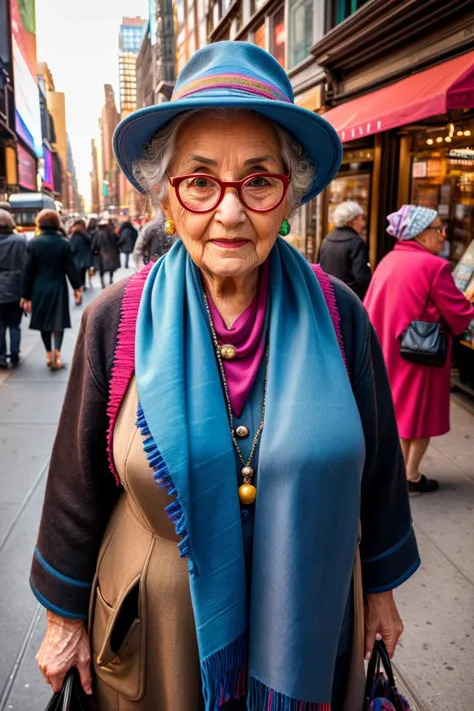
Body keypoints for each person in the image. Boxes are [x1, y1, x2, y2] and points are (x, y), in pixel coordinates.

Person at [31, 42, 419, 711]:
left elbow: (379, 468)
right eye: (201, 181)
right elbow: (76, 481)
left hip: (312, 619)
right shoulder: (115, 318)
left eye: (259, 181)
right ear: (167, 196)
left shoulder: (341, 314)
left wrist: (381, 588)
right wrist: (64, 618)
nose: (231, 212)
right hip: (159, 632)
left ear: (291, 194)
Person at [364, 205, 474, 494]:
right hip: (421, 354)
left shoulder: (389, 260)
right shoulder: (434, 266)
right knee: (420, 415)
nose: (443, 235)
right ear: (422, 235)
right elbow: (459, 312)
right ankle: (410, 475)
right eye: (439, 229)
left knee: (401, 414)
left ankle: (401, 470)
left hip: (390, 350)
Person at [20, 209, 82, 370]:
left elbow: (27, 271)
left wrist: (25, 296)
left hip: (38, 288)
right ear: (56, 224)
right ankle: (58, 353)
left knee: (43, 322)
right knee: (58, 321)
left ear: (39, 224)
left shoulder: (33, 243)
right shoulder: (63, 243)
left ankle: (48, 353)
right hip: (58, 286)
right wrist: (77, 287)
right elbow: (71, 268)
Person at [319, 201, 372, 299]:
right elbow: (362, 277)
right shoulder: (356, 242)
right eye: (360, 219)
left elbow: (319, 268)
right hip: (349, 298)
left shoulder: (326, 240)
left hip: (327, 296)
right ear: (350, 222)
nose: (363, 223)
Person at [0, 209, 27, 368]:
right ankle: (15, 354)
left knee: (1, 324)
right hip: (16, 288)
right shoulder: (20, 241)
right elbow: (27, 265)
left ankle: (1, 357)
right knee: (15, 324)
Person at [92, 220, 121, 288]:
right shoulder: (111, 233)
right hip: (111, 253)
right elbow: (116, 242)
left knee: (101, 269)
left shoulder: (98, 234)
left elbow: (94, 245)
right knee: (111, 268)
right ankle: (110, 280)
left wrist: (95, 251)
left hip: (101, 254)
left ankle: (102, 282)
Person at [69, 219, 93, 289]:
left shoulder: (74, 235)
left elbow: (72, 247)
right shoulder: (85, 234)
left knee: (80, 271)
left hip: (78, 256)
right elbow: (90, 242)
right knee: (82, 271)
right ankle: (83, 284)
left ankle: (81, 285)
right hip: (84, 256)